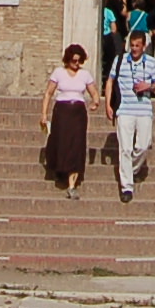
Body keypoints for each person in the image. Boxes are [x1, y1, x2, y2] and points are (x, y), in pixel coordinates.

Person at [109, 26, 155, 202]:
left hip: (144, 109)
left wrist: (147, 86)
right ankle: (127, 187)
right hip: (124, 109)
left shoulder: (152, 63)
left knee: (143, 145)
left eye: (137, 46)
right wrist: (108, 105)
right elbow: (110, 81)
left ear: (144, 46)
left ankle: (130, 170)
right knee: (125, 148)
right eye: (132, 45)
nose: (134, 49)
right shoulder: (120, 61)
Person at [41, 45, 93, 198]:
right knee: (61, 142)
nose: (76, 63)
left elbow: (94, 93)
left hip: (78, 113)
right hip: (62, 112)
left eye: (79, 61)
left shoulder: (85, 74)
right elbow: (48, 93)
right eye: (73, 61)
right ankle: (59, 169)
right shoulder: (59, 73)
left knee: (76, 145)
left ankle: (72, 184)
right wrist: (44, 114)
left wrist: (95, 102)